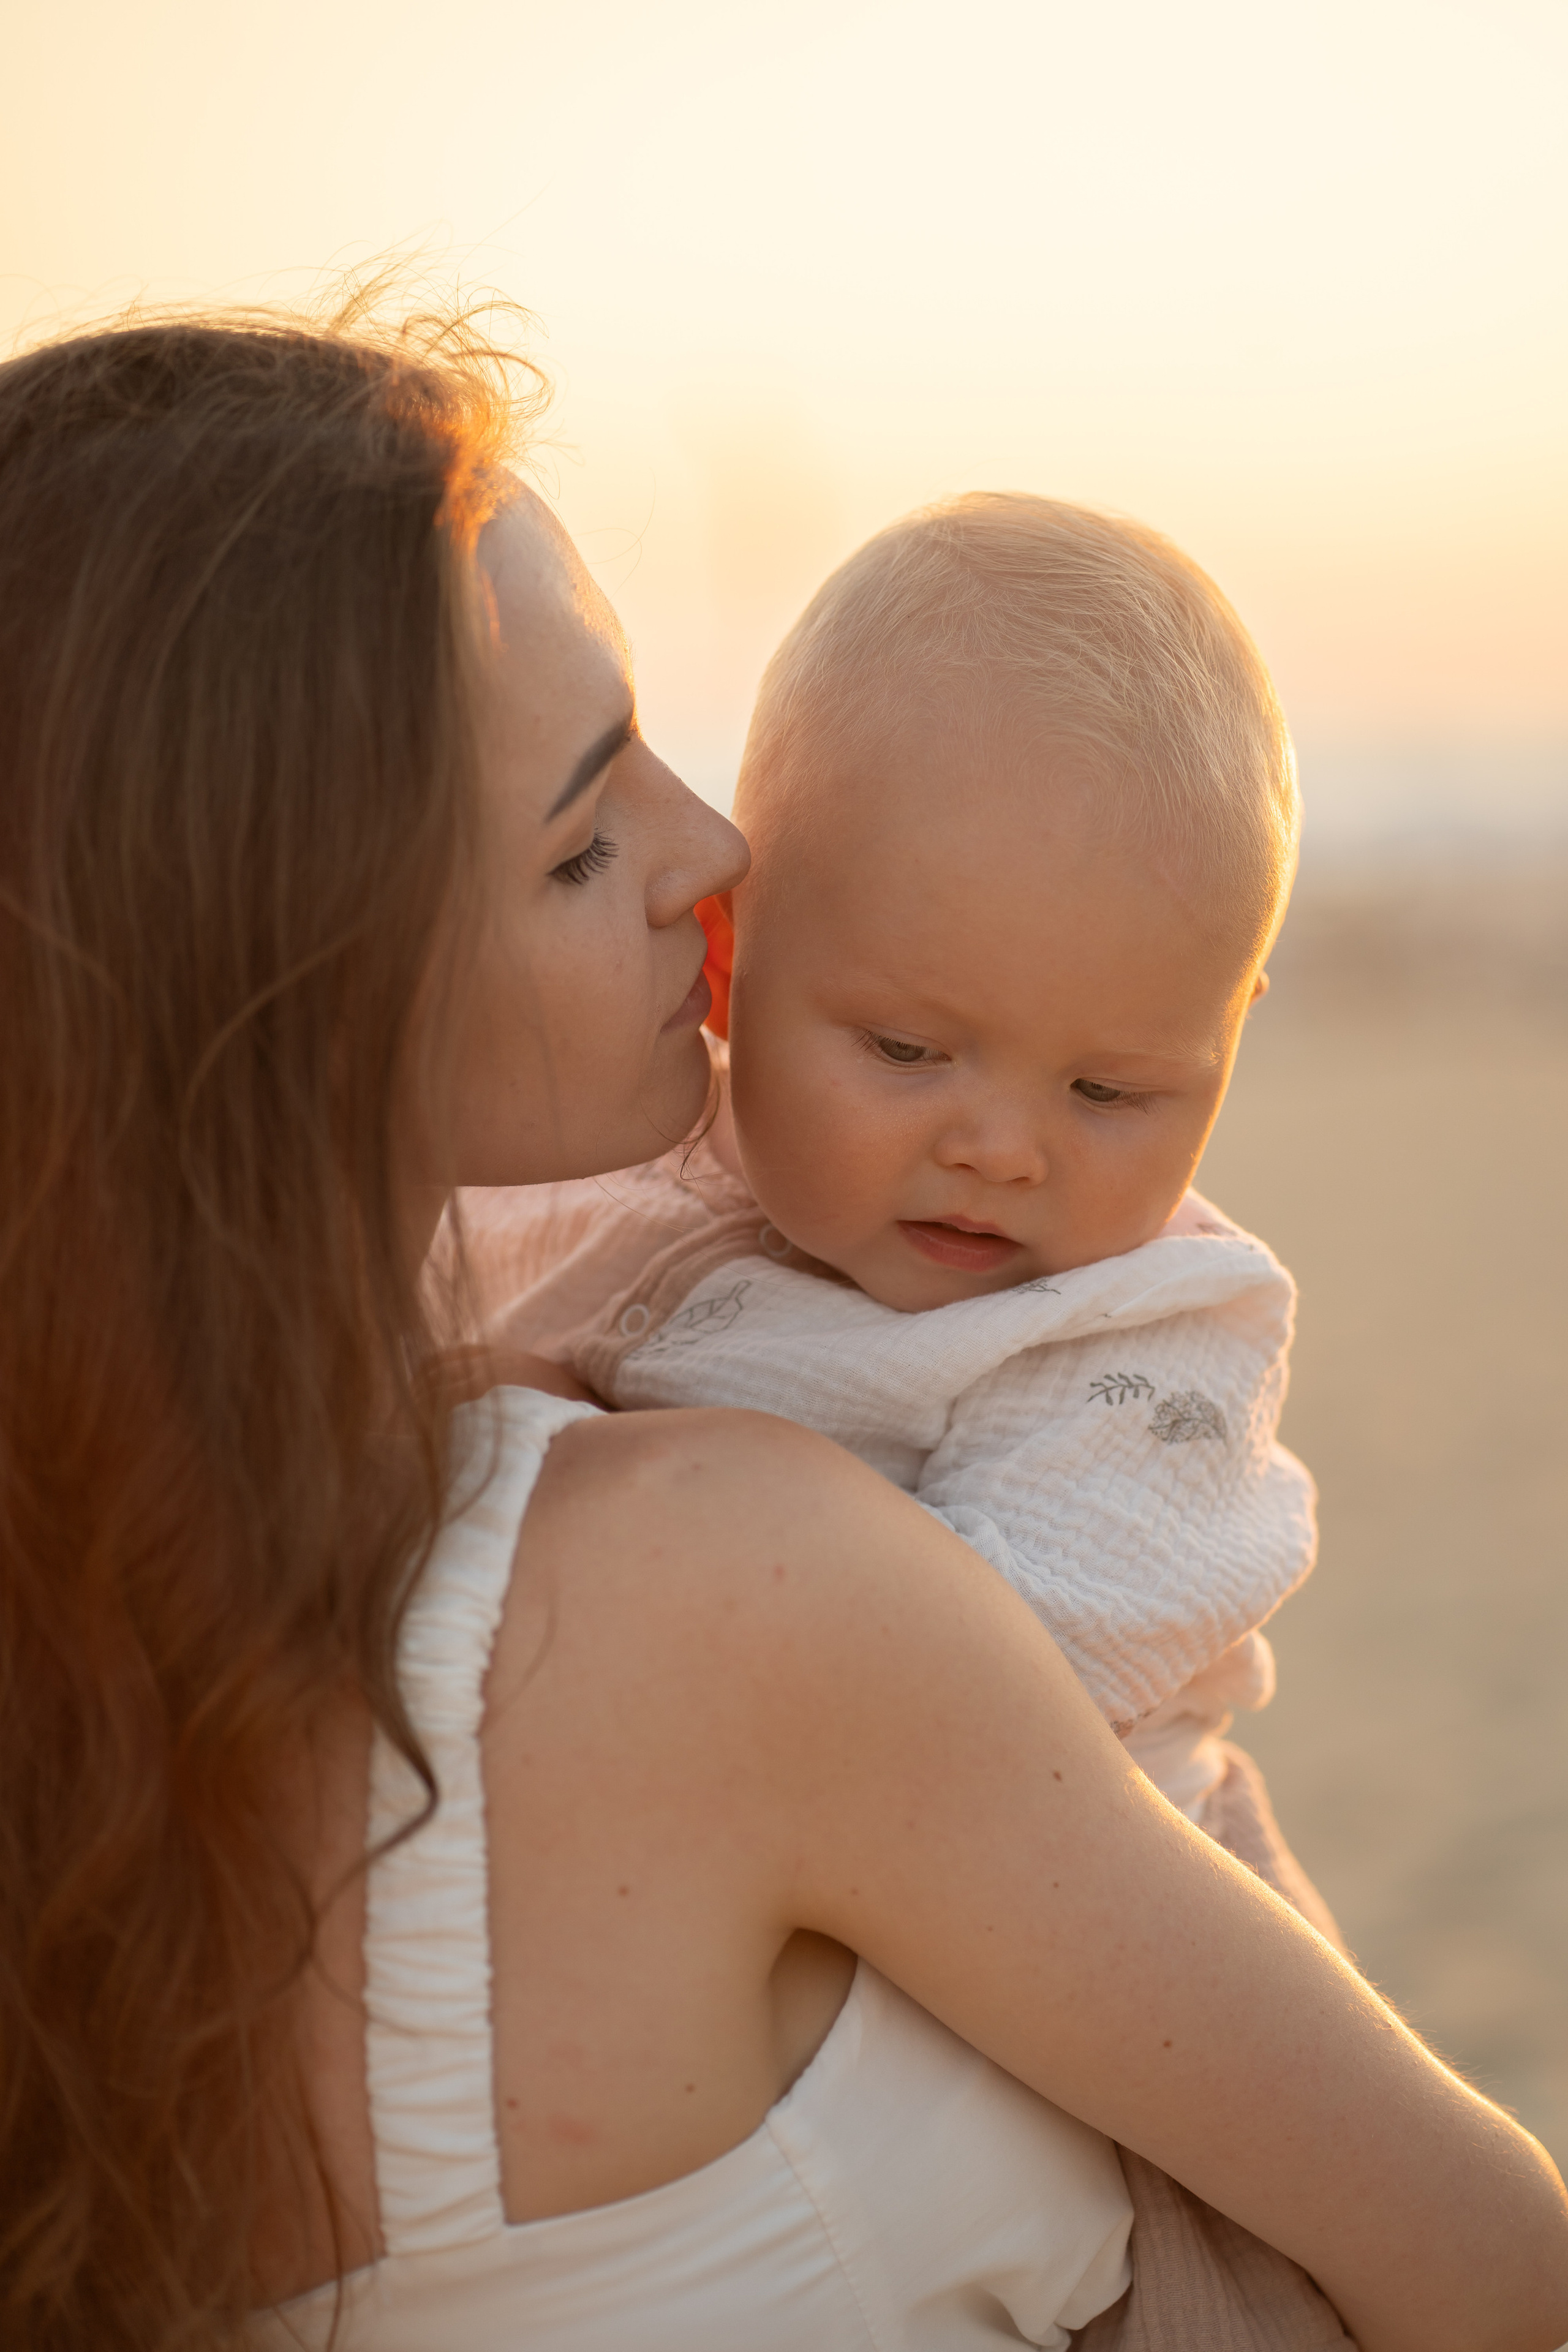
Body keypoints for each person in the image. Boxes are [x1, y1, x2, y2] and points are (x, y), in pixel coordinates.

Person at [1, 300, 1565, 2352]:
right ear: (312, 985)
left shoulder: (97, 1648)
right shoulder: (735, 1585)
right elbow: (1496, 2258)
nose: (717, 850)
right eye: (583, 837)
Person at [456, 492, 1332, 1921]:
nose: (998, 1149)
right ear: (731, 963)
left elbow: (992, 1713)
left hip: (1126, 1929)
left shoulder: (1145, 1339)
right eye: (908, 1054)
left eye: (1111, 1092)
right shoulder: (612, 1160)